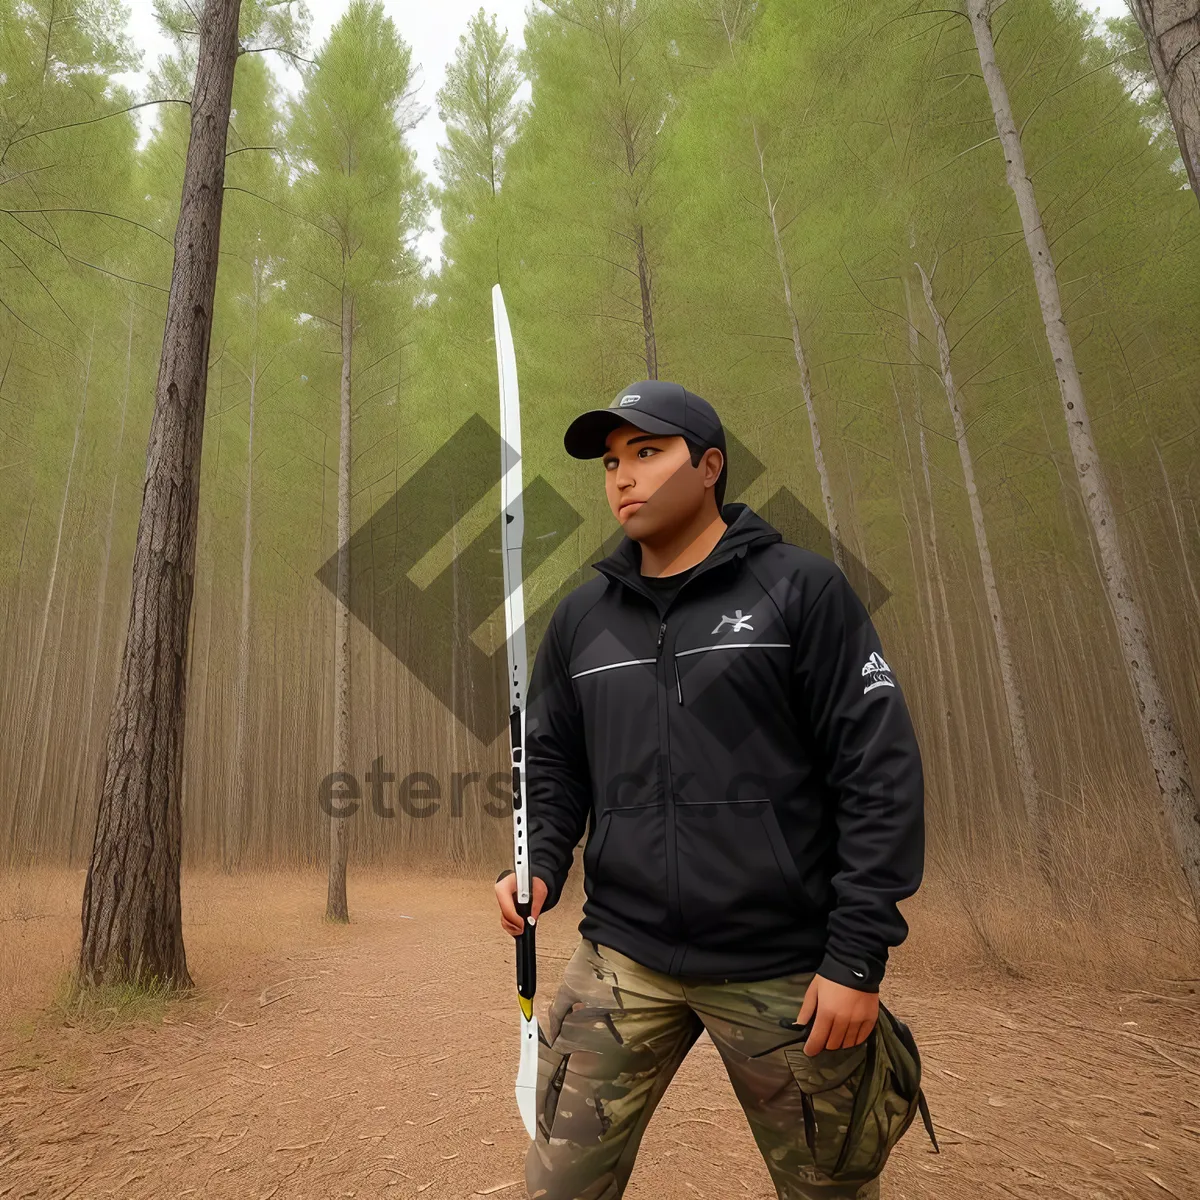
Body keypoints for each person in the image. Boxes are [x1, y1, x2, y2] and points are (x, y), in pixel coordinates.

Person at [495, 379, 925, 1200]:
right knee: (557, 1188)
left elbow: (879, 772)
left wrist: (858, 957)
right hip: (622, 957)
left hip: (785, 969)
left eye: (648, 453)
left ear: (710, 467)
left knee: (831, 1191)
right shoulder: (581, 622)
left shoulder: (800, 590)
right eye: (612, 462)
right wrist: (541, 861)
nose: (622, 476)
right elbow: (553, 767)